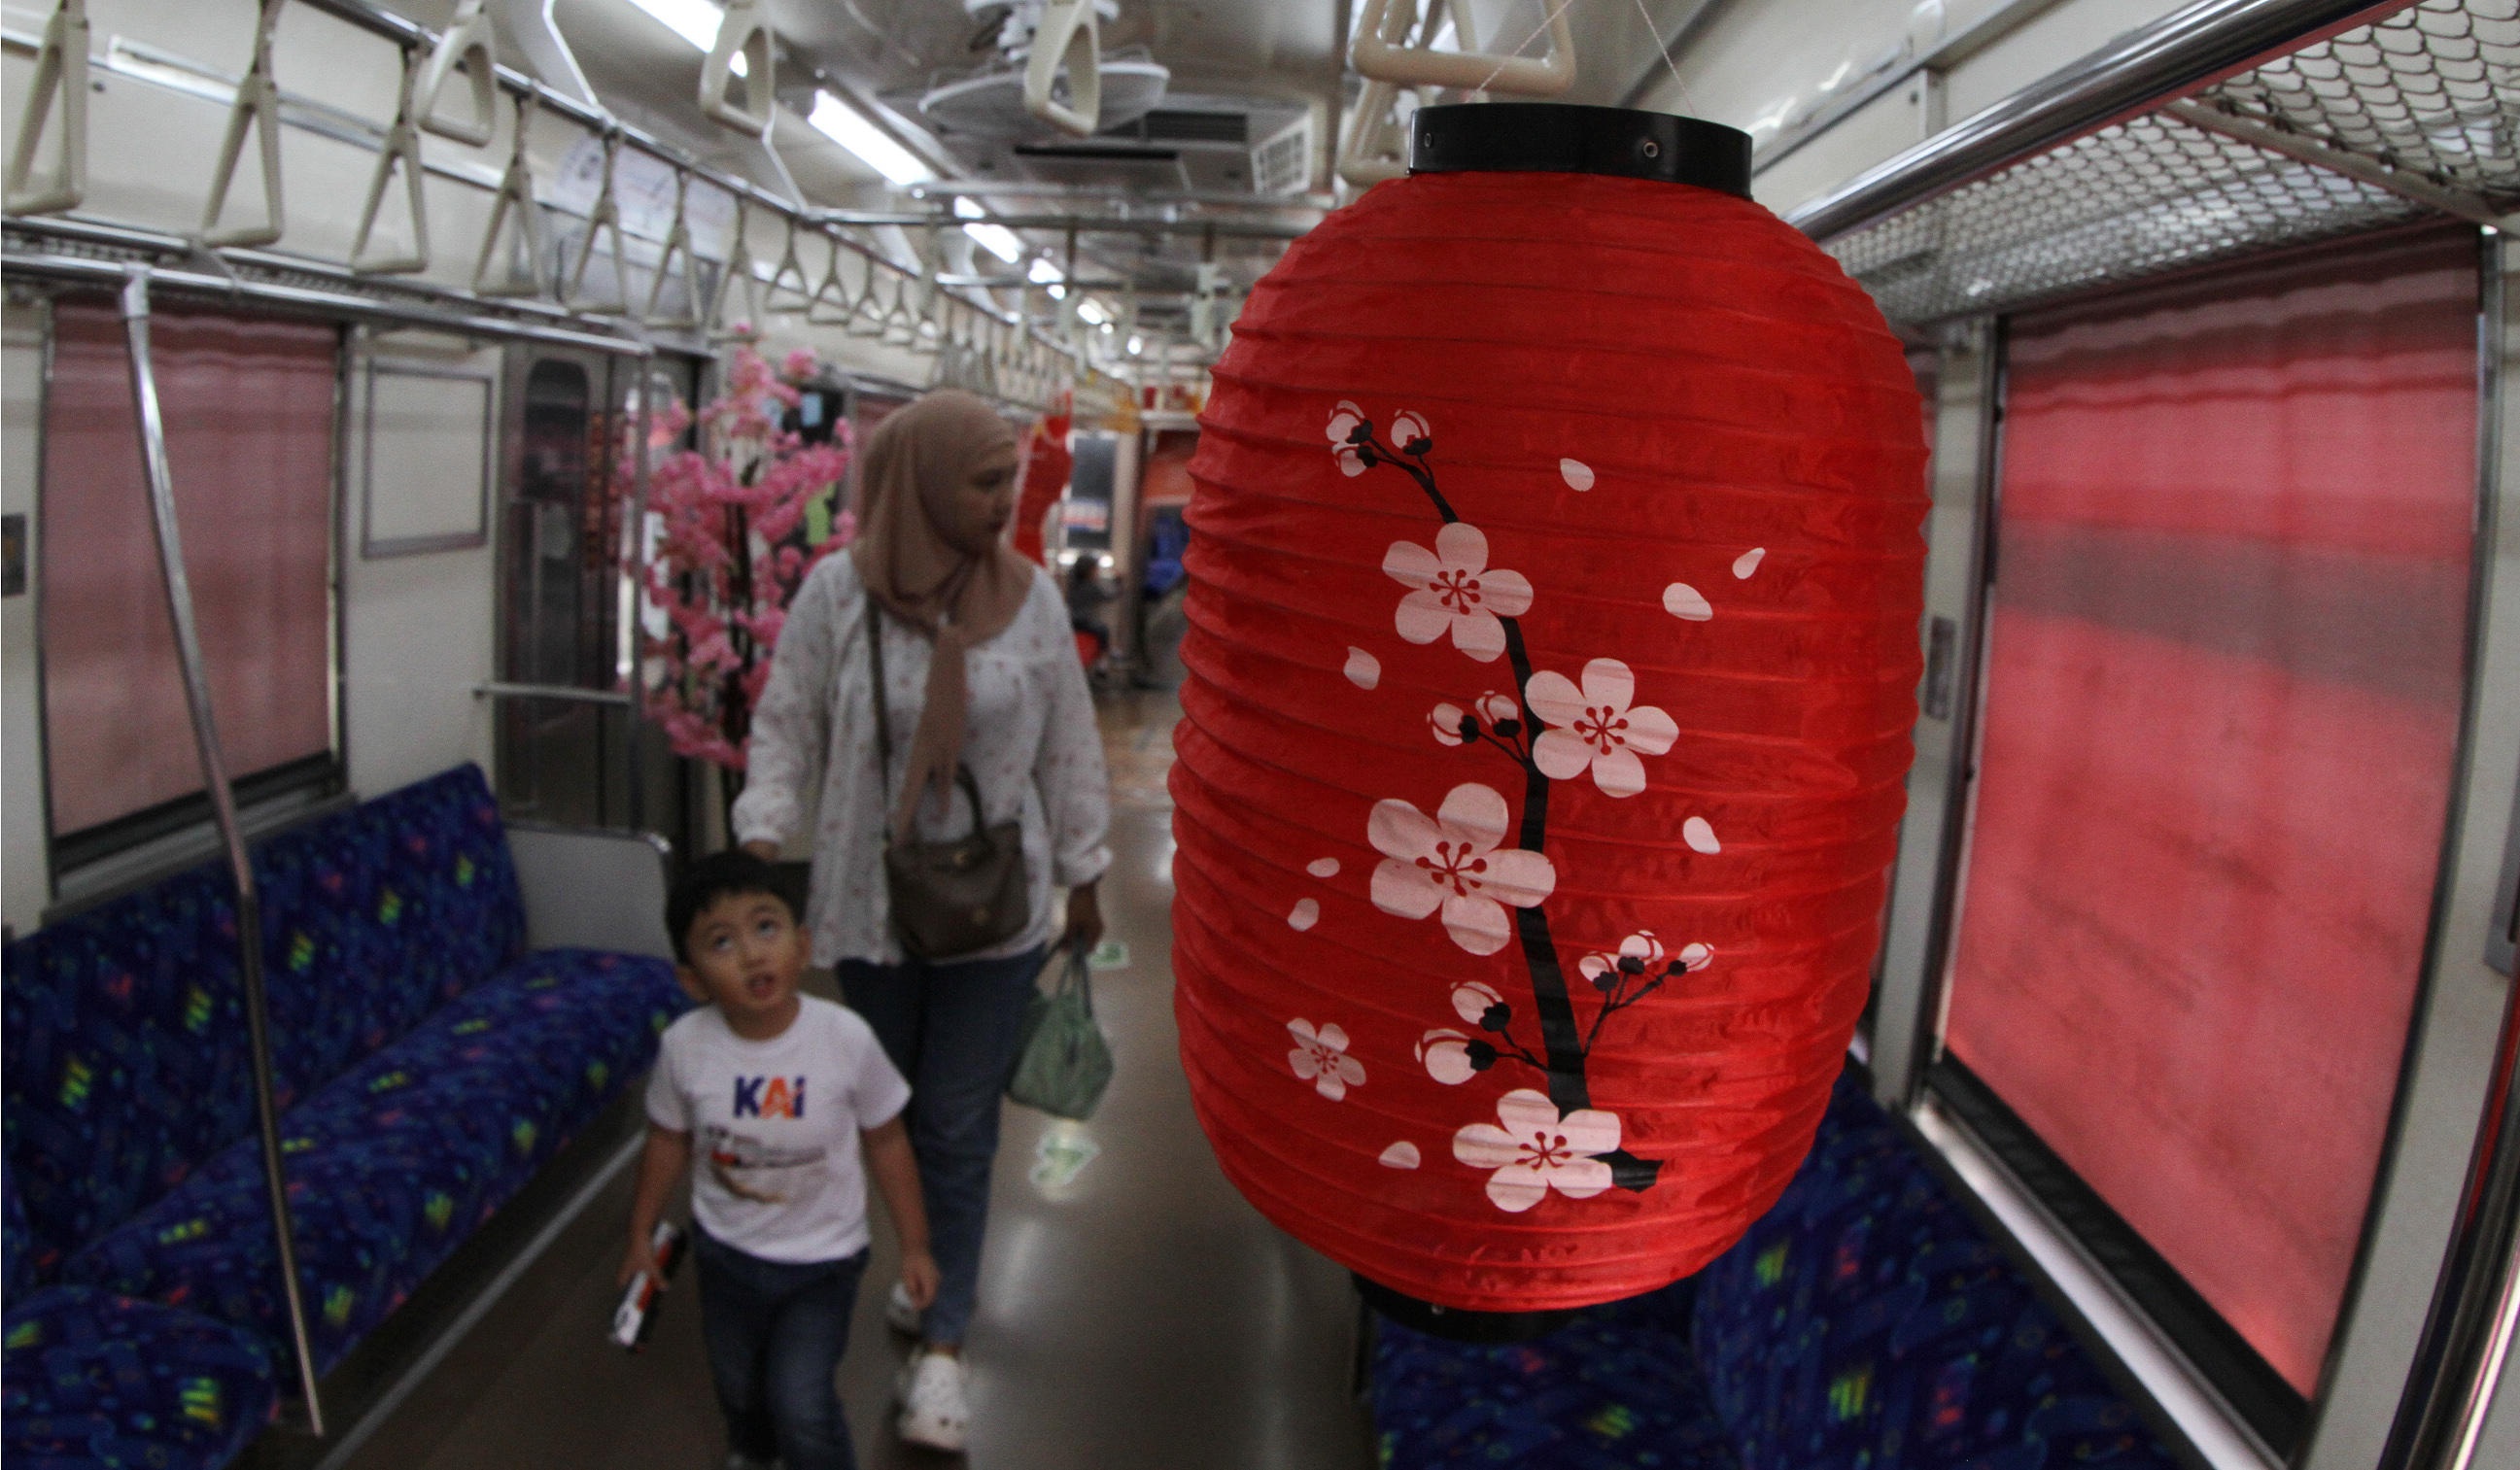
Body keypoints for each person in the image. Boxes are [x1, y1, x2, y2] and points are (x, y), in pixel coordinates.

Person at [734, 389, 1113, 1453]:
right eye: (984, 481)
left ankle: (942, 1347)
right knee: (883, 1123)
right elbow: (786, 722)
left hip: (994, 915)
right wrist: (760, 842)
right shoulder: (833, 597)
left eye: (1010, 481)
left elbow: (1068, 745)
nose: (1005, 502)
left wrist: (1085, 873)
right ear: (921, 482)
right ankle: (920, 1263)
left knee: (955, 1126)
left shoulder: (1030, 599)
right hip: (868, 907)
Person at [623, 849, 938, 1470]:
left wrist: (917, 1247)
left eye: (765, 928)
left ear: (802, 944)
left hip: (823, 1263)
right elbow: (667, 1139)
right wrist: (639, 1233)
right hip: (726, 1256)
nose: (750, 954)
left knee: (800, 1399)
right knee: (739, 1387)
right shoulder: (686, 1048)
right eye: (721, 941)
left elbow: (887, 1141)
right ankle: (752, 1452)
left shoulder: (844, 1038)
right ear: (691, 979)